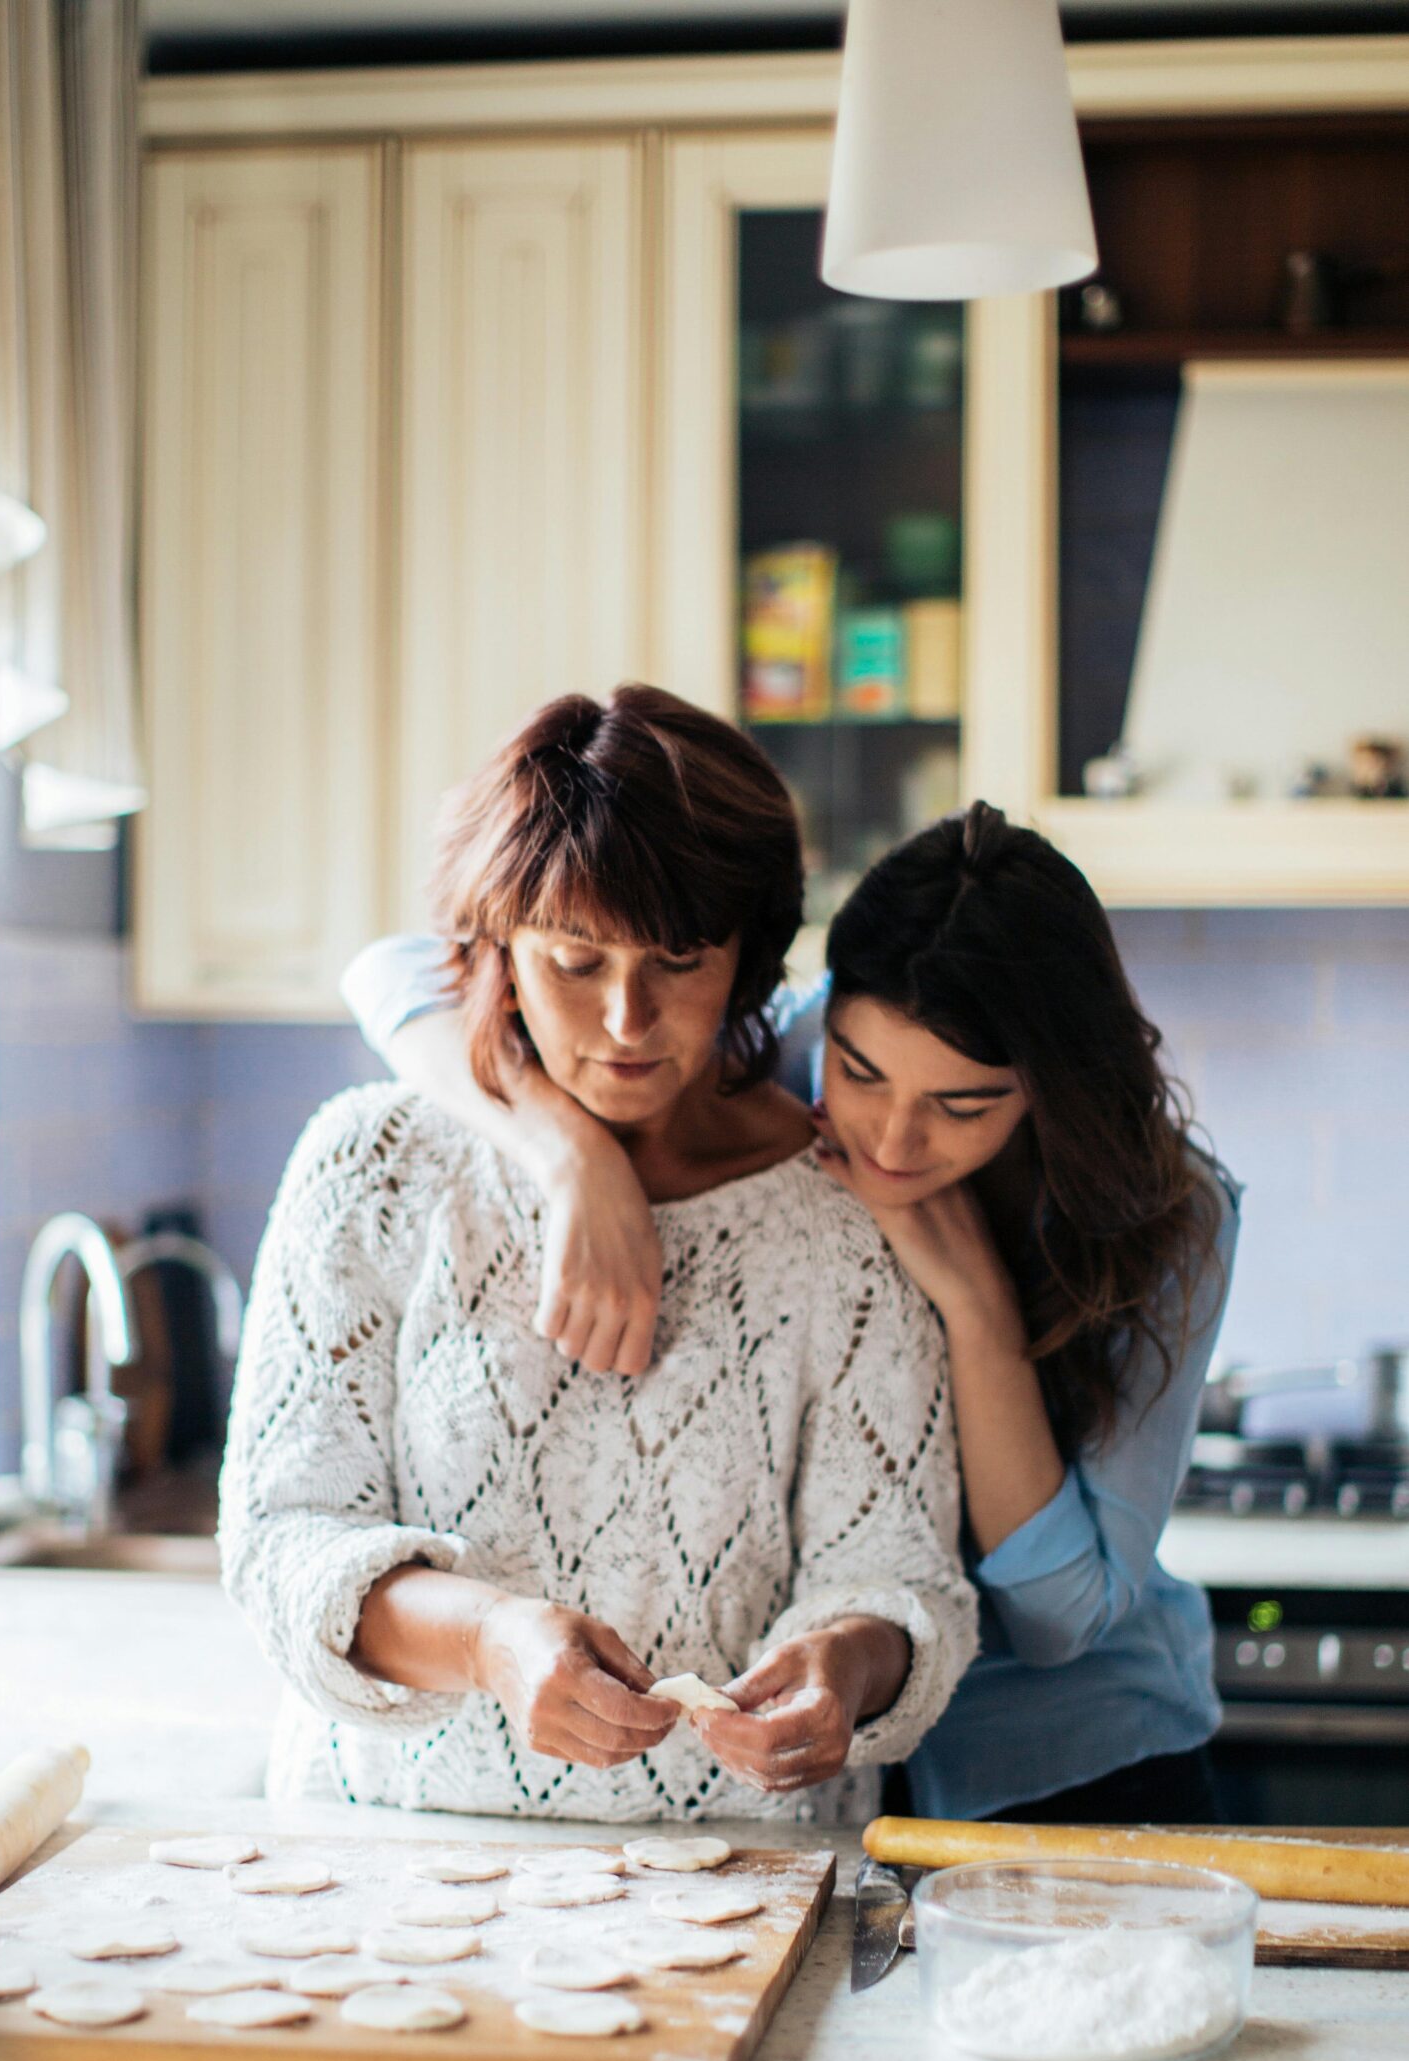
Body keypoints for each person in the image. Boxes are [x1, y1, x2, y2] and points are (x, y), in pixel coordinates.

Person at [342, 799, 1237, 1825]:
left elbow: (1059, 1618)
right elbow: (397, 973)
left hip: (1068, 1761)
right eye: (859, 1073)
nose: (895, 1138)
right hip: (836, 1784)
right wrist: (571, 1159)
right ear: (827, 1010)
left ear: (1046, 1087)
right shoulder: (780, 1049)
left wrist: (978, 1311)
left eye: (964, 1104)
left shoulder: (1173, 1212)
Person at [220, 686, 976, 1823]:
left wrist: (847, 1665)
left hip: (745, 1879)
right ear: (495, 950)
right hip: (390, 1873)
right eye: (576, 961)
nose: (629, 1019)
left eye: (679, 959)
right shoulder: (372, 1168)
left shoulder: (844, 1216)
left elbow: (905, 1575)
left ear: (750, 958)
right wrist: (487, 1640)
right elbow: (280, 1541)